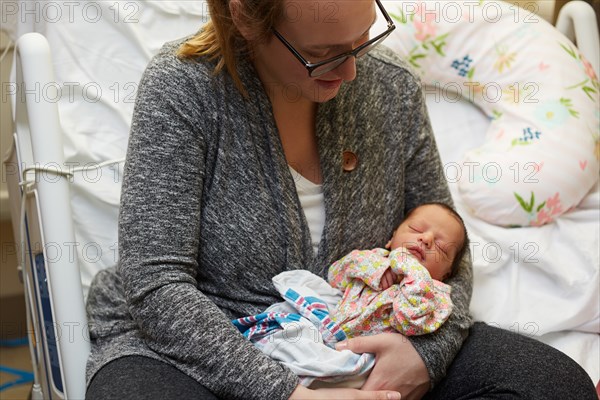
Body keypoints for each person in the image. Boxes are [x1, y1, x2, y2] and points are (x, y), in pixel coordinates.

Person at [84, 0, 598, 399]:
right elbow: (155, 285)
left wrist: (426, 352)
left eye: (362, 40)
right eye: (323, 54)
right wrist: (283, 391)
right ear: (245, 17)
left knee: (552, 385)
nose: (351, 72)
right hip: (208, 345)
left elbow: (448, 245)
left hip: (365, 341)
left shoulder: (390, 88)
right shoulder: (182, 91)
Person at [233, 202, 468, 387]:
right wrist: (377, 269)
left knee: (340, 373)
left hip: (366, 357)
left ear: (447, 274)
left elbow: (409, 323)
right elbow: (335, 275)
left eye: (441, 247)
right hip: (327, 325)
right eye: (416, 229)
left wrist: (412, 271)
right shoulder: (372, 259)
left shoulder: (436, 297)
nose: (426, 239)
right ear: (391, 238)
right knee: (290, 329)